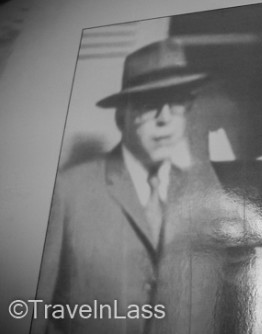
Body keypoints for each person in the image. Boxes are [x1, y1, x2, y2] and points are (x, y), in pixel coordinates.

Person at [33, 39, 228, 333]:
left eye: (176, 101)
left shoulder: (205, 192)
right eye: (150, 103)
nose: (165, 119)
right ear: (121, 116)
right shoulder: (68, 191)